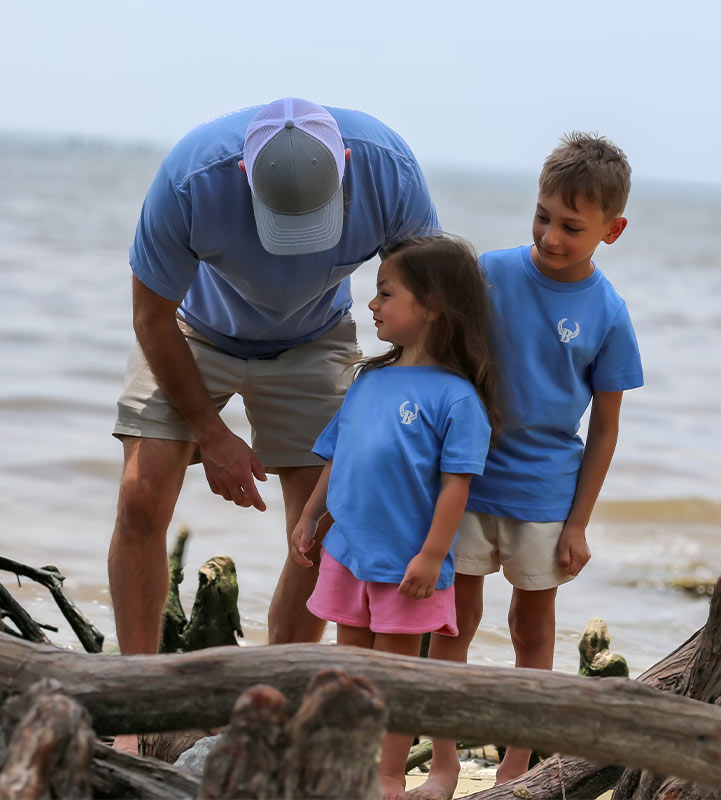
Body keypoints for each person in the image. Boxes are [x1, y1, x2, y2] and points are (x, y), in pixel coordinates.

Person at [108, 98, 438, 749]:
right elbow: (150, 318)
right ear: (244, 174)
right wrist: (212, 434)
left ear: (344, 165)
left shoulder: (388, 169)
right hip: (192, 333)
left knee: (329, 519)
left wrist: (398, 408)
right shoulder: (190, 178)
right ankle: (131, 707)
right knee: (141, 497)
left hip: (317, 339)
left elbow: (427, 303)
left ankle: (269, 711)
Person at [410, 133, 643, 799]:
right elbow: (443, 363)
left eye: (572, 226)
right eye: (543, 216)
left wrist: (580, 523)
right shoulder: (488, 273)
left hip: (546, 494)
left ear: (612, 230)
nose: (551, 235)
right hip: (468, 482)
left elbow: (604, 427)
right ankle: (445, 763)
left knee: (531, 630)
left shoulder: (608, 313)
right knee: (451, 622)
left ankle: (518, 768)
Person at [290, 235, 502, 800]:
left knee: (396, 682)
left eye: (386, 293)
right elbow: (340, 458)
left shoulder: (457, 399)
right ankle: (350, 770)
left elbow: (458, 487)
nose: (372, 305)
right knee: (349, 676)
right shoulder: (368, 381)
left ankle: (387, 777)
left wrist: (432, 555)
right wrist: (312, 517)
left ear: (431, 305)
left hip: (407, 564)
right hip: (350, 553)